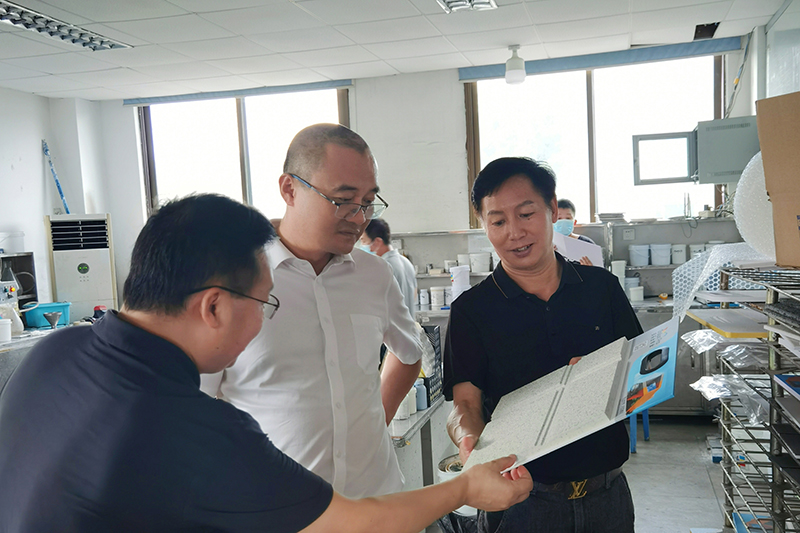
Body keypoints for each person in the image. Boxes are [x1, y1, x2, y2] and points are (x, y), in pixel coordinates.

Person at [0, 194, 533, 532]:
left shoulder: (53, 353)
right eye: (263, 303)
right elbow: (352, 524)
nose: (262, 320)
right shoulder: (195, 428)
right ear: (213, 307)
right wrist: (465, 488)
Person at [201, 124, 425, 499]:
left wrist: (375, 423)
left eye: (369, 201)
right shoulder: (231, 283)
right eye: (343, 200)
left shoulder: (374, 275)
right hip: (279, 509)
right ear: (289, 189)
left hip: (376, 501)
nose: (359, 217)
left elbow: (409, 353)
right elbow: (197, 406)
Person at [444, 158, 643, 533]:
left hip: (608, 496)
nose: (515, 232)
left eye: (526, 214)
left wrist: (604, 376)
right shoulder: (471, 310)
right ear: (484, 225)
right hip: (522, 504)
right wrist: (468, 438)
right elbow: (464, 404)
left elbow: (640, 371)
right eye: (498, 221)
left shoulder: (601, 288)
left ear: (552, 209)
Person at [361, 218, 417, 316]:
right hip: (407, 323)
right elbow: (414, 294)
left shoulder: (383, 266)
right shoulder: (406, 262)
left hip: (391, 324)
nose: (362, 246)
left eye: (364, 241)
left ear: (377, 241)